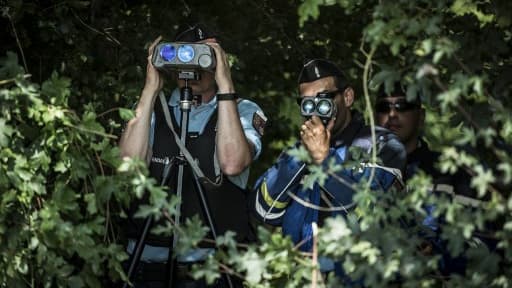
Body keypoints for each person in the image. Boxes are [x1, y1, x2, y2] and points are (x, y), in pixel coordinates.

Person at [119, 23, 267, 287]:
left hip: (211, 269)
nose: (196, 65)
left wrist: (225, 85)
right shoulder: (151, 109)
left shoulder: (242, 110)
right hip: (145, 263)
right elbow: (127, 165)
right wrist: (150, 88)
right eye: (186, 54)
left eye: (206, 55)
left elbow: (233, 163)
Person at [251, 59, 406, 278]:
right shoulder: (297, 153)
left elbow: (373, 211)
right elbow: (263, 210)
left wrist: (324, 160)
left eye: (323, 100)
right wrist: (302, 158)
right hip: (303, 277)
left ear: (348, 97)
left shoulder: (380, 144)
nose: (316, 110)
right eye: (307, 103)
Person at [374, 82, 487, 275]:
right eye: (384, 107)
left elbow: (484, 243)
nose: (392, 114)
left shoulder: (450, 172)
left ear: (421, 117)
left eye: (403, 106)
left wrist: (438, 254)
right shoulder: (358, 172)